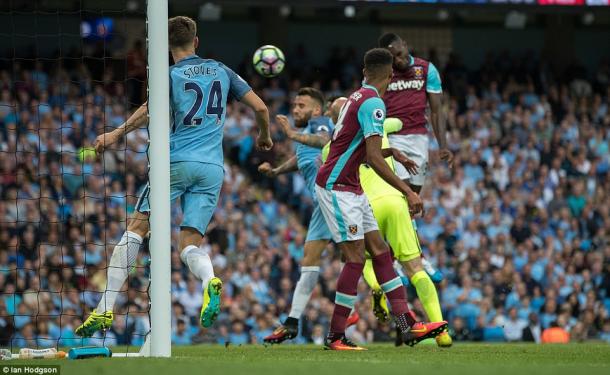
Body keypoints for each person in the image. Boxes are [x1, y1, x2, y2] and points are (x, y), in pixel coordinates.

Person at [75, 16, 272, 337]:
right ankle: (210, 280)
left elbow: (151, 110)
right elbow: (262, 109)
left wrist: (116, 133)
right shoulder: (222, 70)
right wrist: (264, 137)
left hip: (176, 162)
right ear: (196, 41)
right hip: (212, 169)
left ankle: (105, 308)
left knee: (137, 227)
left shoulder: (171, 75)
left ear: (167, 46)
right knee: (190, 243)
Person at [314, 48, 447, 350]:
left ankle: (408, 325)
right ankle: (336, 335)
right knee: (357, 258)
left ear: (364, 71)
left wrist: (390, 151)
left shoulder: (355, 97)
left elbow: (352, 143)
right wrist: (408, 191)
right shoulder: (374, 103)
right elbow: (372, 157)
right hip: (337, 186)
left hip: (352, 185)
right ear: (390, 75)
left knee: (380, 251)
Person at [258, 88, 358, 343]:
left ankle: (355, 311)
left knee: (356, 256)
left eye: (301, 105)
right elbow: (302, 157)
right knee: (310, 261)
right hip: (321, 206)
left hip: (334, 198)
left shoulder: (320, 124)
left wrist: (290, 133)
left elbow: (324, 142)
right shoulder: (305, 134)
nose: (295, 109)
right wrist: (278, 170)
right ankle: (292, 323)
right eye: (294, 104)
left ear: (316, 110)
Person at [378, 32, 453, 193]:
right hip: (392, 137)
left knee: (414, 193)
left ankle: (408, 217)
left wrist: (443, 145)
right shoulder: (382, 74)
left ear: (405, 45)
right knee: (402, 189)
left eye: (399, 54)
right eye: (392, 59)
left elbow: (436, 110)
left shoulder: (426, 69)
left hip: (419, 138)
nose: (398, 60)